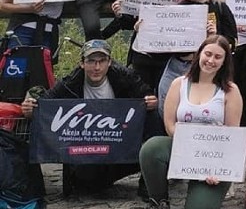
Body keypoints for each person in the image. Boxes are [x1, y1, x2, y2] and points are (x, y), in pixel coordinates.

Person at [130, 35, 242, 209]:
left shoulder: (231, 91)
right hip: (183, 149)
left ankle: (209, 192)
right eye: (208, 54)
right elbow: (169, 125)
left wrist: (216, 168)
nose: (211, 60)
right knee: (152, 148)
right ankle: (158, 202)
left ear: (224, 62)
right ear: (199, 54)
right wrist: (189, 152)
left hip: (213, 157)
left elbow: (231, 136)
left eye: (218, 57)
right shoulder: (179, 84)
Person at [20, 40, 159, 194]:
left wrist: (150, 100)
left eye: (101, 61)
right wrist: (30, 109)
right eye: (91, 61)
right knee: (87, 184)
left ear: (110, 62)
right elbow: (45, 104)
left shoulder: (125, 76)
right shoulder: (70, 83)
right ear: (82, 64)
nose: (96, 67)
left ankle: (149, 185)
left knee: (153, 116)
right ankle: (98, 177)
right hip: (87, 146)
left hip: (120, 139)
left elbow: (146, 94)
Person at [157, 0, 238, 117]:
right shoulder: (175, 9)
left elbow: (233, 42)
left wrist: (215, 37)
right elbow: (162, 47)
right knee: (167, 110)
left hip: (211, 69)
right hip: (179, 66)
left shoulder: (219, 7)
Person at [103, 0, 172, 91]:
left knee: (162, 93)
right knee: (141, 92)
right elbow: (127, 23)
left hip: (165, 54)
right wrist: (120, 14)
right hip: (141, 53)